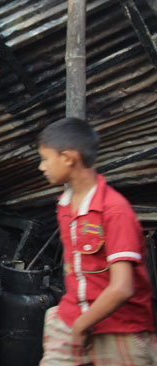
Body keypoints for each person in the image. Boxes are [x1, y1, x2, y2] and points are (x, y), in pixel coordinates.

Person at [37, 118, 157, 365]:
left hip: (120, 328)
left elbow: (122, 288)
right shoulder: (65, 206)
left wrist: (83, 324)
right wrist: (76, 321)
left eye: (45, 158)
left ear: (68, 158)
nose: (41, 167)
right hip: (71, 318)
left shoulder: (114, 210)